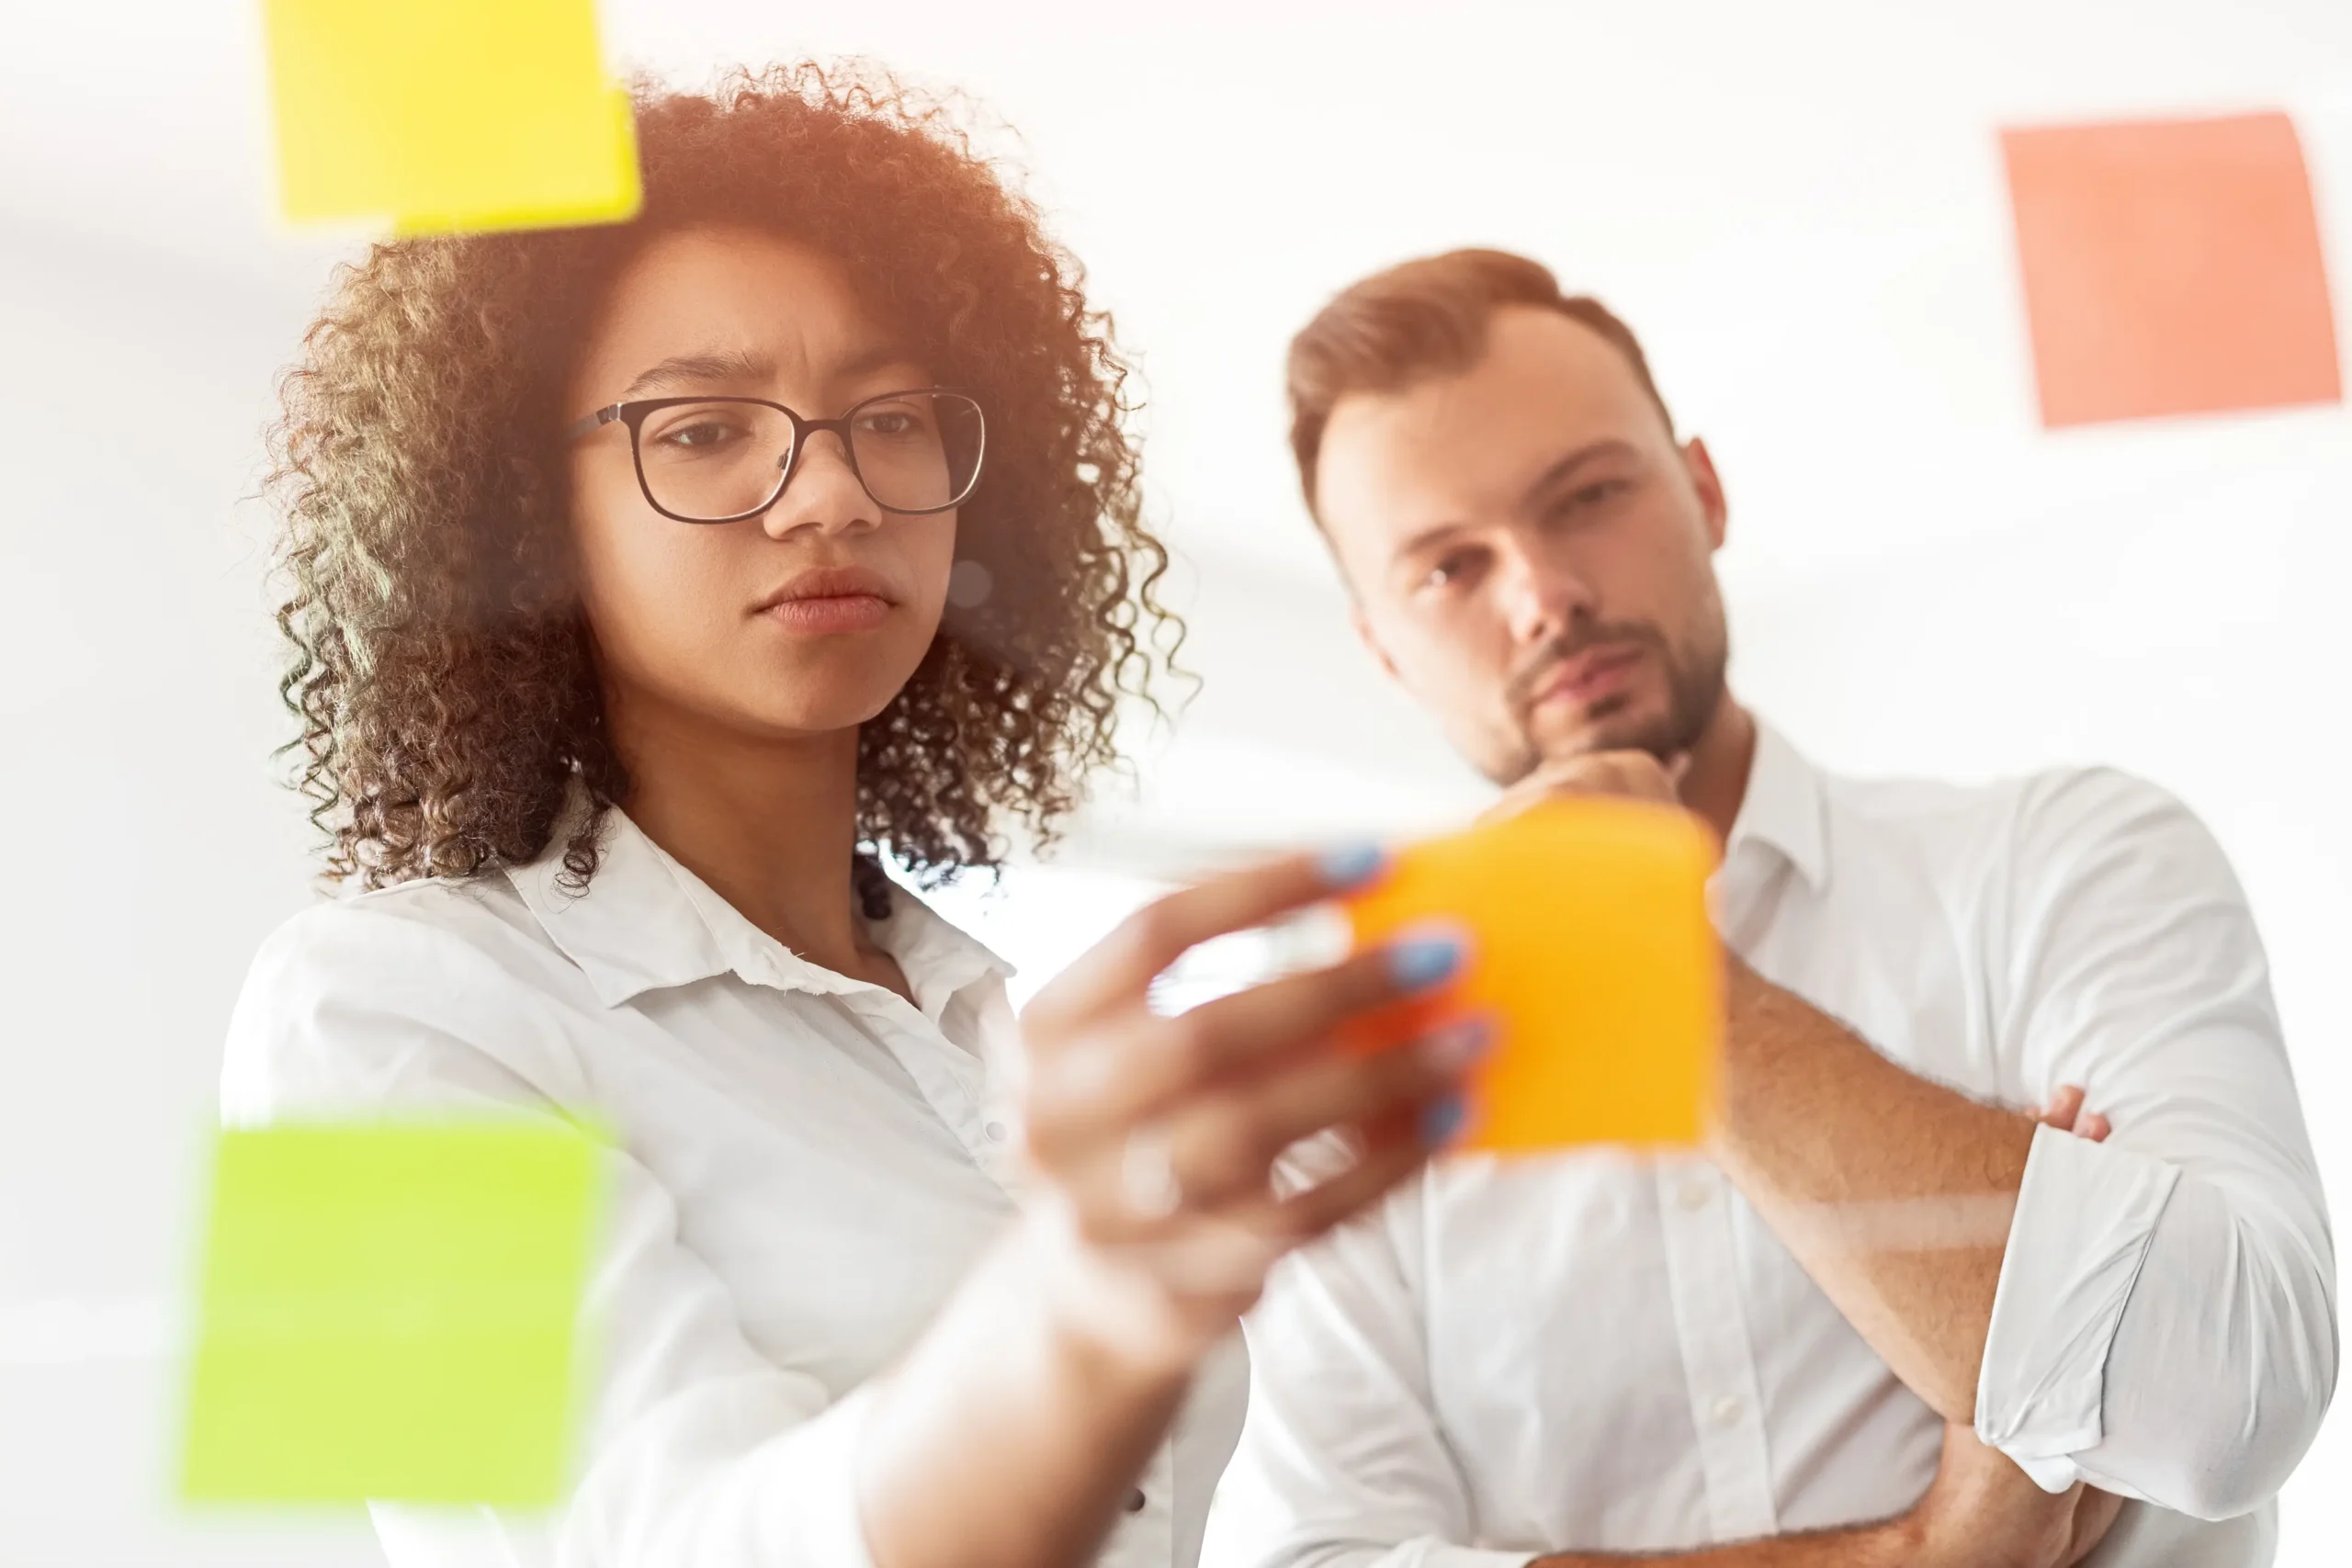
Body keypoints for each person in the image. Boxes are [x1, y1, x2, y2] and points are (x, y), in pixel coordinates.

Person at [223, 67, 1490, 1568]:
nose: (828, 489)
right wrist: (1091, 1305)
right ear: (522, 511)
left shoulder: (979, 1016)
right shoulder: (356, 1011)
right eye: (701, 431)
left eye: (887, 418)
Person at [1209, 249, 2337, 1568]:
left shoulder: (2071, 860)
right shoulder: (1339, 1076)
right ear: (1383, 647)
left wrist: (1670, 986)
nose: (1543, 593)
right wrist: (1919, 1551)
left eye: (1586, 496)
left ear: (1703, 492)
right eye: (1449, 569)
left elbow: (2225, 1397)